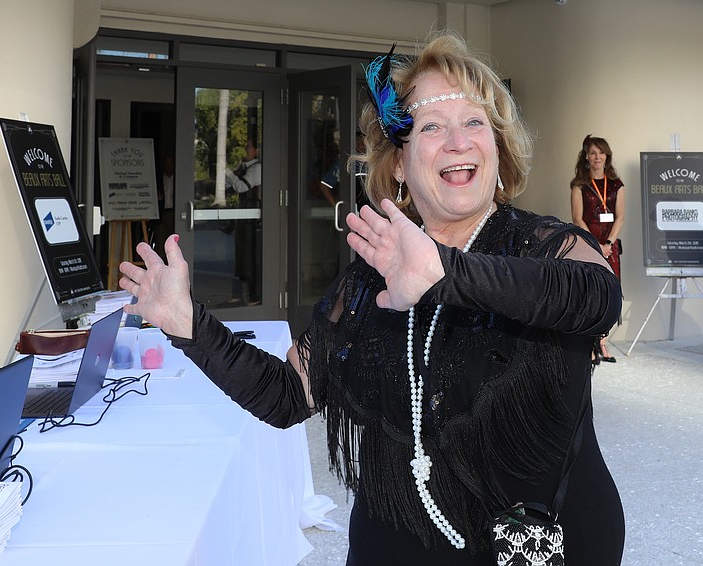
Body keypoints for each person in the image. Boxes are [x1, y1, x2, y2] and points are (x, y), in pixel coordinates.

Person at [119, 33, 625, 565]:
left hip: (536, 545)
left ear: (497, 149)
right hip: (394, 544)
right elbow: (289, 394)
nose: (458, 141)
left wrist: (446, 273)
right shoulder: (367, 281)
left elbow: (597, 298)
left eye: (474, 122)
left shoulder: (544, 245)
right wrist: (188, 325)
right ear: (400, 165)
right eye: (432, 126)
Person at [570, 134, 625, 364]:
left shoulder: (616, 185)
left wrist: (609, 244)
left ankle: (602, 341)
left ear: (607, 156)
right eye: (592, 153)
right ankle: (589, 344)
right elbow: (577, 218)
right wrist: (596, 246)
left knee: (609, 294)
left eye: (601, 152)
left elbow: (620, 217)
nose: (597, 157)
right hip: (588, 246)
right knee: (590, 294)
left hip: (610, 247)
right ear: (586, 157)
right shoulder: (579, 185)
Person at [224, 138, 262, 306]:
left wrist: (228, 173)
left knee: (249, 257)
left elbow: (241, 187)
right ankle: (239, 293)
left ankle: (253, 296)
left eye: (248, 147)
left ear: (257, 150)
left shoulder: (257, 169)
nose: (245, 150)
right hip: (243, 217)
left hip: (250, 220)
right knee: (240, 256)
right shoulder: (245, 167)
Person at [153, 155, 175, 252]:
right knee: (160, 240)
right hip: (161, 213)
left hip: (173, 213)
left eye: (170, 164)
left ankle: (170, 264)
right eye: (166, 164)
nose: (168, 166)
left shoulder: (178, 179)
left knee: (172, 241)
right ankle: (160, 265)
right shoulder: (158, 179)